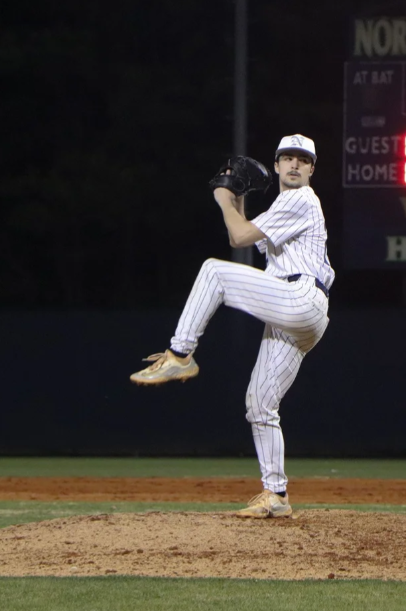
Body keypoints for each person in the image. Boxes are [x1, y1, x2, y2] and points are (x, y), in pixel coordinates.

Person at [130, 134, 334, 519]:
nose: (293, 165)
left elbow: (237, 235)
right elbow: (240, 233)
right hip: (301, 316)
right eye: (286, 158)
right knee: (260, 404)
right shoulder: (284, 206)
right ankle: (276, 495)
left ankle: (180, 354)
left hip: (300, 298)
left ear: (310, 169)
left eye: (302, 160)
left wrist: (223, 198)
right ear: (275, 166)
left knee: (213, 272)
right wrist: (237, 198)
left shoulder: (301, 198)